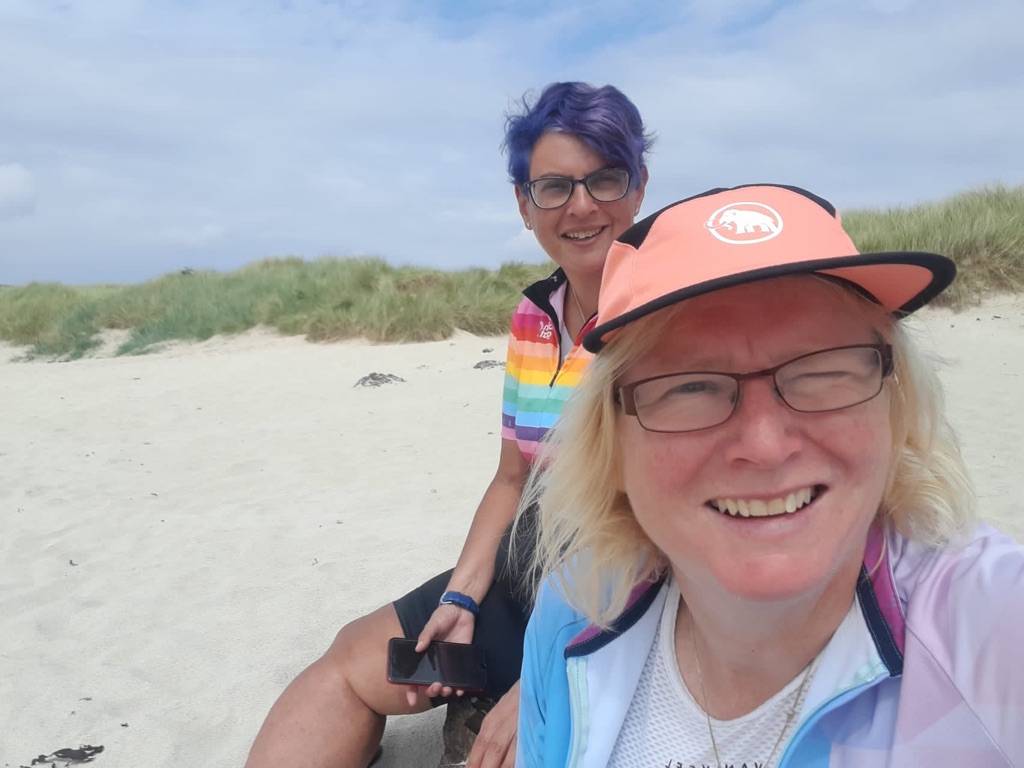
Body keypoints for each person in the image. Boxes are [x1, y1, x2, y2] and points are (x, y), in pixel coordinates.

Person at [517, 184, 1024, 767]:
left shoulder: (992, 632)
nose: (764, 446)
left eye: (822, 370)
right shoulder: (574, 612)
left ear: (894, 406)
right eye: (690, 386)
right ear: (613, 446)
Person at [243, 81, 652, 768]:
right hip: (532, 561)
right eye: (554, 186)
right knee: (348, 666)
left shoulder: (666, 320)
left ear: (638, 186)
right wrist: (462, 595)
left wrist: (551, 668)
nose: (581, 205)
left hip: (626, 597)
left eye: (605, 178)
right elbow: (512, 479)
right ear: (524, 204)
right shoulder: (535, 316)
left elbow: (674, 534)